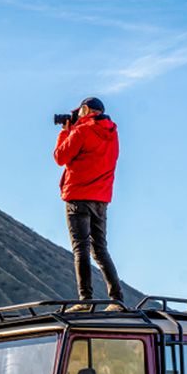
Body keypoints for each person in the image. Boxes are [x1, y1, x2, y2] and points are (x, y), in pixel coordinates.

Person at [53, 96, 123, 310]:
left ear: (85, 109)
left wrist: (65, 131)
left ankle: (85, 300)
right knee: (100, 249)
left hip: (77, 195)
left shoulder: (81, 131)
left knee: (80, 248)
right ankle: (117, 299)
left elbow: (60, 157)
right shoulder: (112, 135)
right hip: (101, 198)